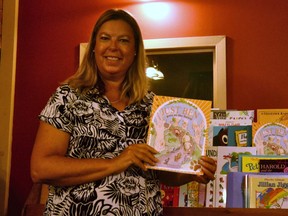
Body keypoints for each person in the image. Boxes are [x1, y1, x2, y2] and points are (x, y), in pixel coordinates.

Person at [30, 8, 216, 216]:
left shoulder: (150, 105)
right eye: (105, 38)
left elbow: (160, 172)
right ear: (94, 47)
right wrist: (116, 162)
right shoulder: (68, 97)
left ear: (135, 50)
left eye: (124, 40)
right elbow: (41, 168)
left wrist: (191, 172)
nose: (113, 47)